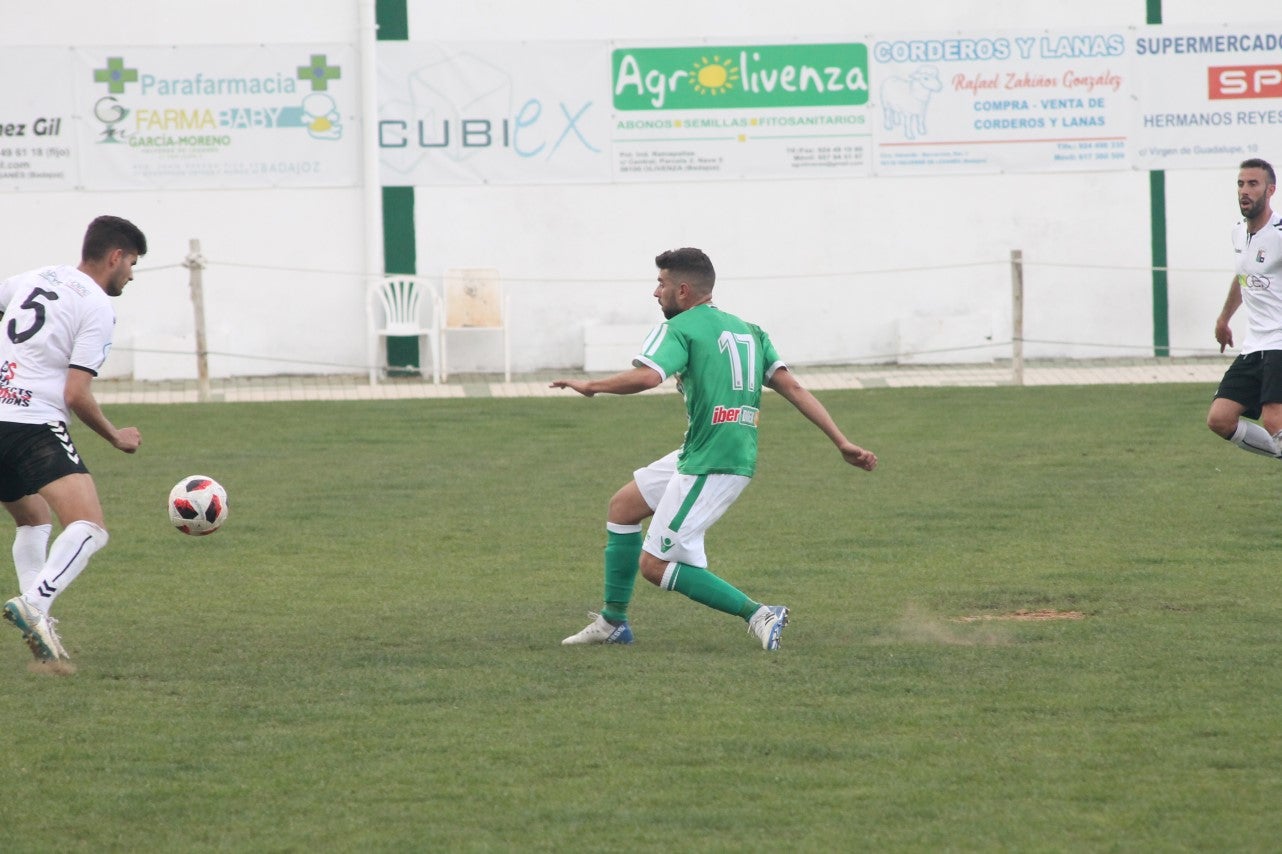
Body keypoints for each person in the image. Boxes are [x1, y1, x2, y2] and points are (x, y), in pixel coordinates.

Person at [551, 247, 877, 651]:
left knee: (654, 565)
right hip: (709, 452)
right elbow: (791, 386)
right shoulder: (749, 331)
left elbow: (648, 376)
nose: (656, 293)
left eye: (662, 284)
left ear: (683, 291)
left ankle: (759, 612)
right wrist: (841, 441)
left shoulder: (681, 328)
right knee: (623, 507)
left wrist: (591, 386)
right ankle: (613, 622)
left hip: (713, 463)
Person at [0, 215, 146, 665]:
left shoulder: (33, 277)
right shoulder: (98, 306)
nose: (132, 274)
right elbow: (76, 394)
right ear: (115, 256)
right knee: (89, 528)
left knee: (34, 519)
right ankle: (36, 604)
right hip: (32, 424)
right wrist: (116, 436)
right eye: (132, 263)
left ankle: (38, 622)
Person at [1207, 158, 1282, 459]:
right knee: (1220, 418)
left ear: (1270, 190)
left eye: (1253, 184)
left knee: (1274, 418)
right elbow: (1244, 277)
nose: (1244, 191)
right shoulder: (1238, 232)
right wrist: (1224, 319)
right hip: (1254, 345)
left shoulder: (1279, 234)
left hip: (1279, 342)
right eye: (1240, 184)